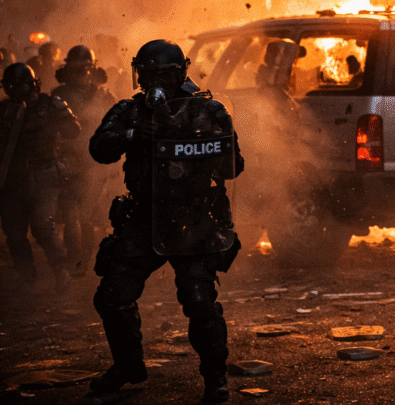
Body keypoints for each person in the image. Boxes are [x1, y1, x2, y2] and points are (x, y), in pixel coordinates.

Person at [88, 40, 244, 403]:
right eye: (149, 74)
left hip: (192, 219)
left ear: (181, 74)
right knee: (112, 296)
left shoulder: (207, 111)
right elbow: (98, 147)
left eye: (164, 75)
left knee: (200, 301)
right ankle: (128, 367)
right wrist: (132, 137)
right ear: (139, 74)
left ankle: (215, 377)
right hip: (145, 218)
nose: (156, 82)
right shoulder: (131, 111)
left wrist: (199, 142)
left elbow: (234, 167)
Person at [0, 62, 80, 293]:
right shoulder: (4, 110)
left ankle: (61, 271)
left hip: (44, 174)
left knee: (42, 226)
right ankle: (26, 278)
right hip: (13, 178)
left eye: (22, 84)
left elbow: (73, 132)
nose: (18, 89)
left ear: (33, 84)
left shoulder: (50, 105)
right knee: (14, 233)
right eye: (13, 85)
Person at [52, 45, 117, 275]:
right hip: (69, 161)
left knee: (85, 217)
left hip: (94, 163)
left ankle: (83, 262)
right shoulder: (59, 95)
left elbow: (116, 127)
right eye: (76, 69)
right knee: (70, 215)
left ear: (92, 69)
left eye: (85, 69)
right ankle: (74, 261)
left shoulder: (104, 95)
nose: (81, 74)